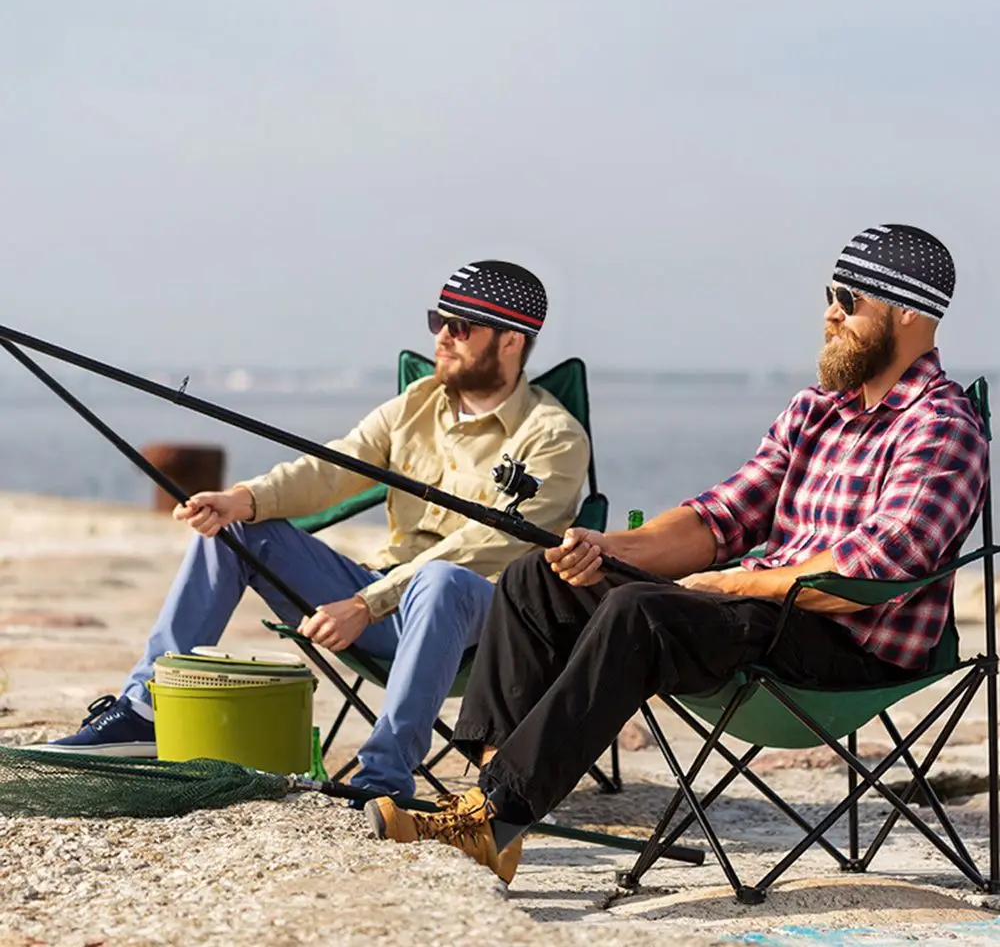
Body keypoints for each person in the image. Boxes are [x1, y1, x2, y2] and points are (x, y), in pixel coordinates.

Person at [366, 224, 989, 885]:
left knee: (642, 613)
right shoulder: (816, 411)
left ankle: (492, 818)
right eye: (829, 294)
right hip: (768, 613)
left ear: (908, 313)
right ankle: (492, 808)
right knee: (535, 578)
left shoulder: (942, 427)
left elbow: (874, 571)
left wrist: (734, 586)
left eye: (849, 298)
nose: (830, 312)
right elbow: (721, 516)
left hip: (850, 643)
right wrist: (610, 548)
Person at [40, 260, 591, 805]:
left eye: (461, 326)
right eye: (438, 320)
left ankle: (383, 779)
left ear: (513, 341)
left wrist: (365, 602)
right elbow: (334, 466)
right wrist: (243, 499)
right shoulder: (416, 404)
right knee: (236, 531)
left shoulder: (556, 437)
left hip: (478, 619)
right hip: (379, 597)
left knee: (443, 580)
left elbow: (490, 544)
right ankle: (143, 710)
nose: (442, 337)